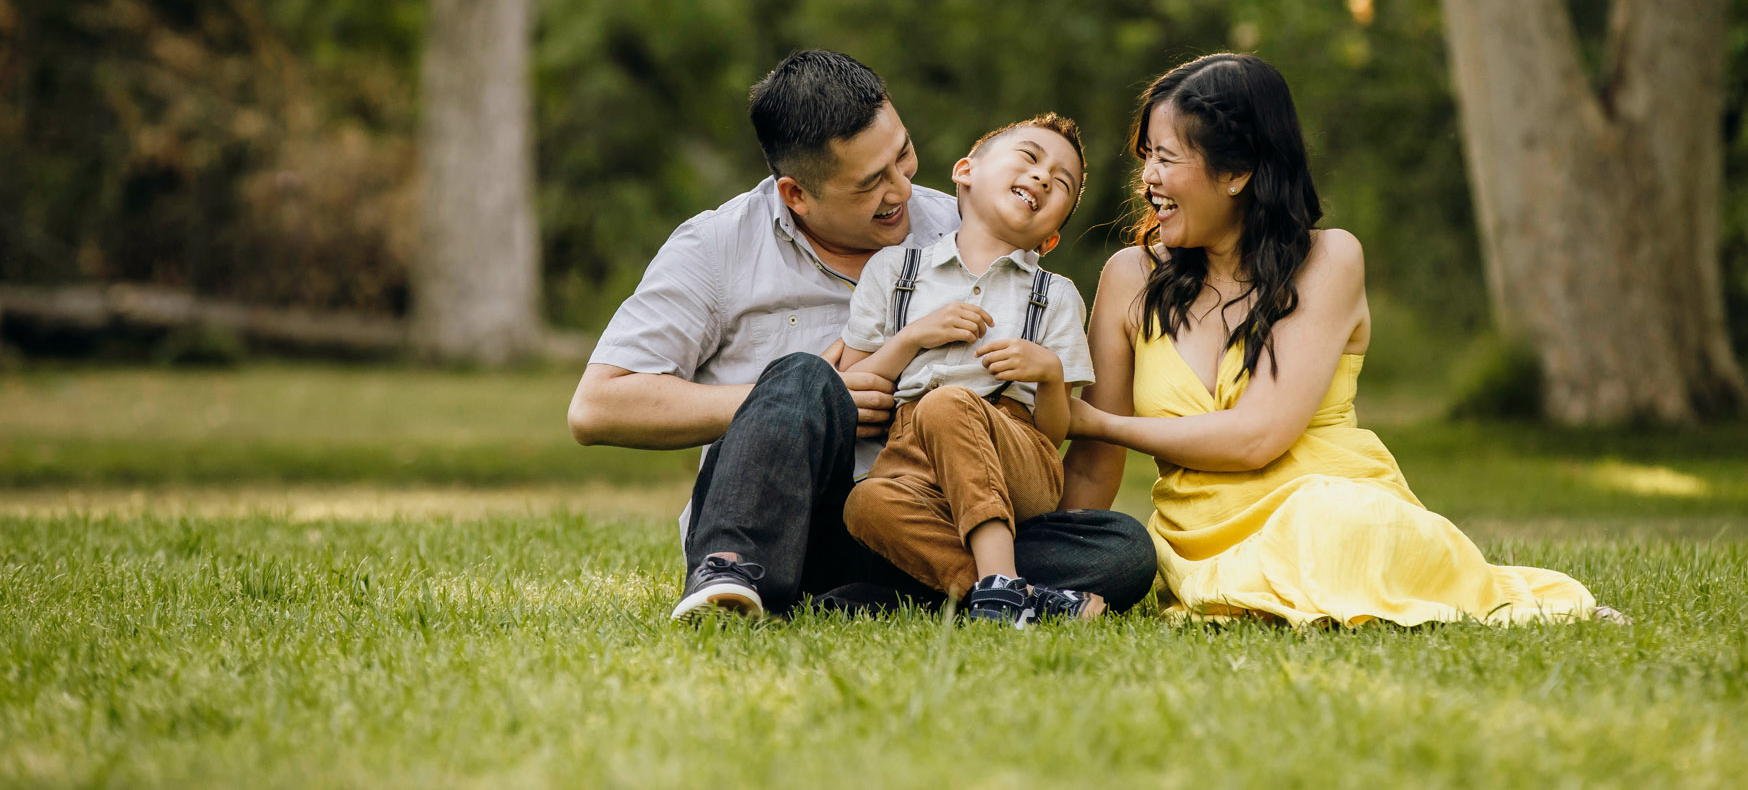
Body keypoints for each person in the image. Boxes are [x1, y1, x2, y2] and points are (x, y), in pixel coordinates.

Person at [567, 49, 1156, 620]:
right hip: (792, 527)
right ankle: (731, 570)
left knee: (1120, 551)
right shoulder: (716, 247)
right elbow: (597, 406)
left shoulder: (968, 224)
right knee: (802, 375)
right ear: (796, 193)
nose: (901, 191)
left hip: (929, 516)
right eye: (872, 182)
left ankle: (938, 595)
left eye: (904, 156)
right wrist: (804, 400)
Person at [1060, 52, 1622, 627]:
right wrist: (1047, 570)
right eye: (1147, 156)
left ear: (1237, 172)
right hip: (1200, 535)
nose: (1148, 177)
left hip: (1331, 505)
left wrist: (1098, 421)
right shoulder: (1130, 278)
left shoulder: (1328, 260)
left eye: (1167, 157)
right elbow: (1091, 467)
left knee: (1334, 527)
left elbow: (1258, 438)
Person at [838, 114, 1103, 625]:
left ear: (1050, 239)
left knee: (947, 404)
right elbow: (858, 382)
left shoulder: (1056, 296)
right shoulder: (895, 272)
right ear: (965, 171)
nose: (1044, 177)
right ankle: (1006, 597)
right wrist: (913, 336)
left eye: (1062, 183)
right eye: (1029, 157)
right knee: (865, 503)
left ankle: (1000, 584)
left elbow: (1053, 435)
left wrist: (1048, 373)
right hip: (910, 456)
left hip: (1016, 452)